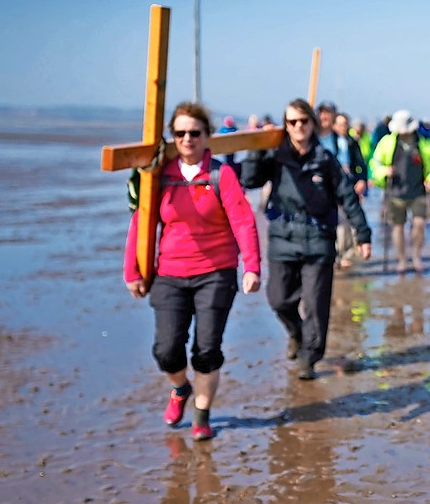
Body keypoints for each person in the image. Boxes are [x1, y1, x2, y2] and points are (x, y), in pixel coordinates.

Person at [123, 101, 262, 441]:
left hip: (216, 272)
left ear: (206, 136)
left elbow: (243, 220)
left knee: (206, 349)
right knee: (166, 349)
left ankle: (201, 416)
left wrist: (252, 266)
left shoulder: (220, 174)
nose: (187, 139)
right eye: (180, 133)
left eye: (194, 133)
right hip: (170, 273)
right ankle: (180, 388)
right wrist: (133, 271)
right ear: (173, 137)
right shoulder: (160, 175)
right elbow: (142, 223)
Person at [242, 98, 372, 380]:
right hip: (282, 238)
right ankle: (296, 333)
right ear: (285, 126)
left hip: (318, 240)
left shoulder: (324, 159)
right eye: (292, 122)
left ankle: (309, 359)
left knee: (315, 303)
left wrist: (363, 234)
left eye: (303, 121)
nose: (299, 126)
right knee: (279, 299)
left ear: (312, 124)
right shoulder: (276, 156)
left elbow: (347, 197)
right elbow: (249, 180)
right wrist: (257, 150)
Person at [369, 109, 430, 274]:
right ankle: (402, 259)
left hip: (419, 191)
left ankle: (416, 256)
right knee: (398, 227)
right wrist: (383, 171)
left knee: (419, 225)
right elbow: (374, 164)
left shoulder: (424, 143)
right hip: (395, 192)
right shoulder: (387, 143)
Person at [331, 112, 370, 269]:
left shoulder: (352, 142)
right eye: (339, 124)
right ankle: (334, 254)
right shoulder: (327, 141)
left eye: (345, 124)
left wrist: (362, 180)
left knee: (347, 220)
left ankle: (345, 253)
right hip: (331, 184)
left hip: (349, 183)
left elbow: (361, 163)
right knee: (335, 220)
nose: (342, 127)